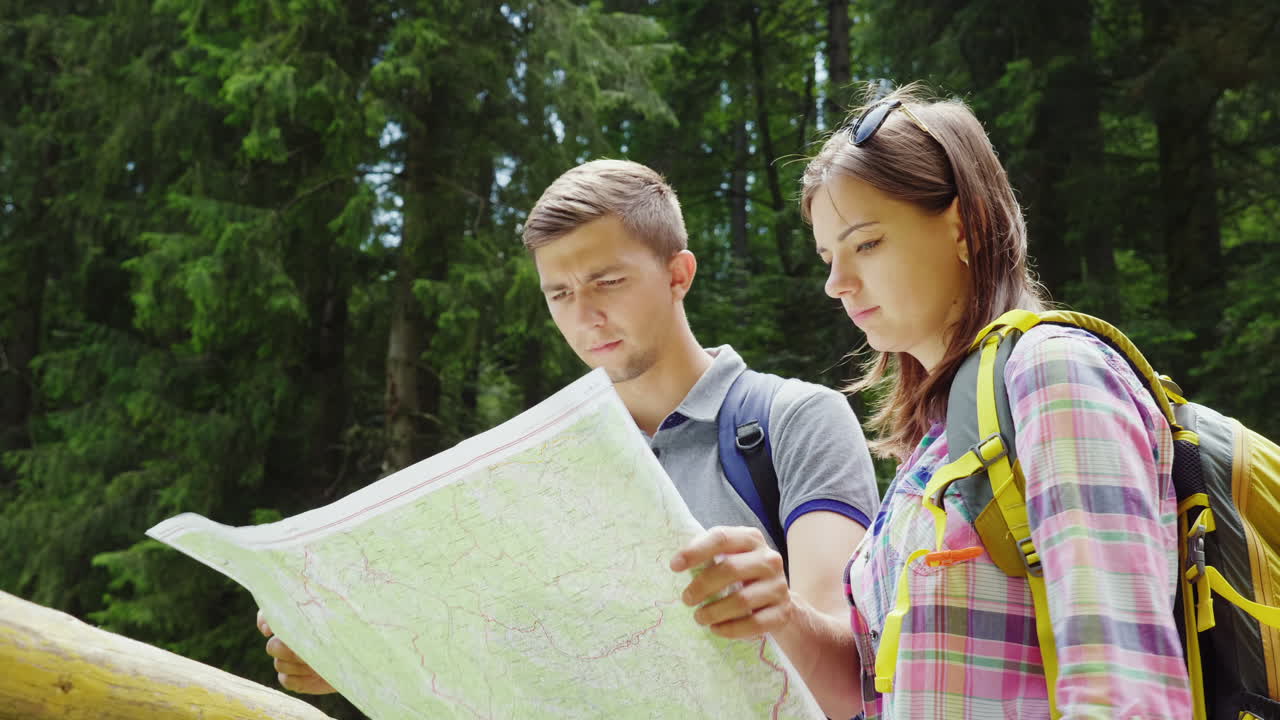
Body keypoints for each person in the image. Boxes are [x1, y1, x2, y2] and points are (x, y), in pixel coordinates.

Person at [260, 159, 881, 698]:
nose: (585, 316)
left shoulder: (796, 421)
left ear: (678, 274)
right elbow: (494, 662)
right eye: (559, 294)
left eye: (607, 282)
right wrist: (355, 657)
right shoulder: (540, 462)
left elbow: (854, 678)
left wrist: (780, 614)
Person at [674, 85, 1195, 719]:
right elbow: (862, 689)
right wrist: (779, 613)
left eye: (867, 243)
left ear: (964, 225)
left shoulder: (1050, 370)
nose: (837, 282)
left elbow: (1124, 683)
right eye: (828, 256)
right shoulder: (939, 441)